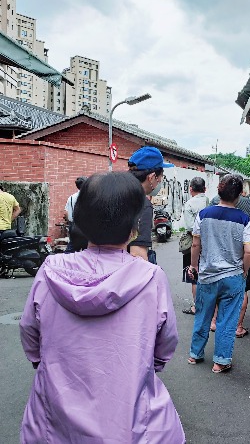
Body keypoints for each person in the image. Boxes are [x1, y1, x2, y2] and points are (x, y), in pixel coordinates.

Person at [18, 171, 184, 442]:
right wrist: (145, 367)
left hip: (55, 423)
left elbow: (29, 331)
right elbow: (166, 344)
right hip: (130, 425)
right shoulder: (151, 277)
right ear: (134, 227)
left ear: (80, 221)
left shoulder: (50, 271)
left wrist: (44, 363)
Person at [188, 174, 250, 373]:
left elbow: (195, 243)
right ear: (240, 195)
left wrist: (195, 266)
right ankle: (221, 361)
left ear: (218, 190)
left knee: (203, 315)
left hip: (207, 276)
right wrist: (243, 270)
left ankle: (195, 354)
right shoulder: (244, 219)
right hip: (232, 277)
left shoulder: (203, 214)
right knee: (227, 320)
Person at [128, 146, 174, 264]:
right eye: (161, 176)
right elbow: (137, 255)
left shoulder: (115, 194)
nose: (161, 180)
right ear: (152, 177)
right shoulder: (141, 204)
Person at [180, 177, 209, 315]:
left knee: (194, 276)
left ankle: (197, 306)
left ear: (191, 189)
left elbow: (190, 227)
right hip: (210, 244)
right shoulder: (211, 202)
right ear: (205, 189)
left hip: (194, 244)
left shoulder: (190, 204)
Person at [64, 176, 88, 253]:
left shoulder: (71, 197)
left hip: (73, 226)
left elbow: (66, 213)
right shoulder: (89, 197)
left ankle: (65, 262)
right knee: (87, 250)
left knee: (72, 247)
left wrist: (70, 222)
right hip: (85, 227)